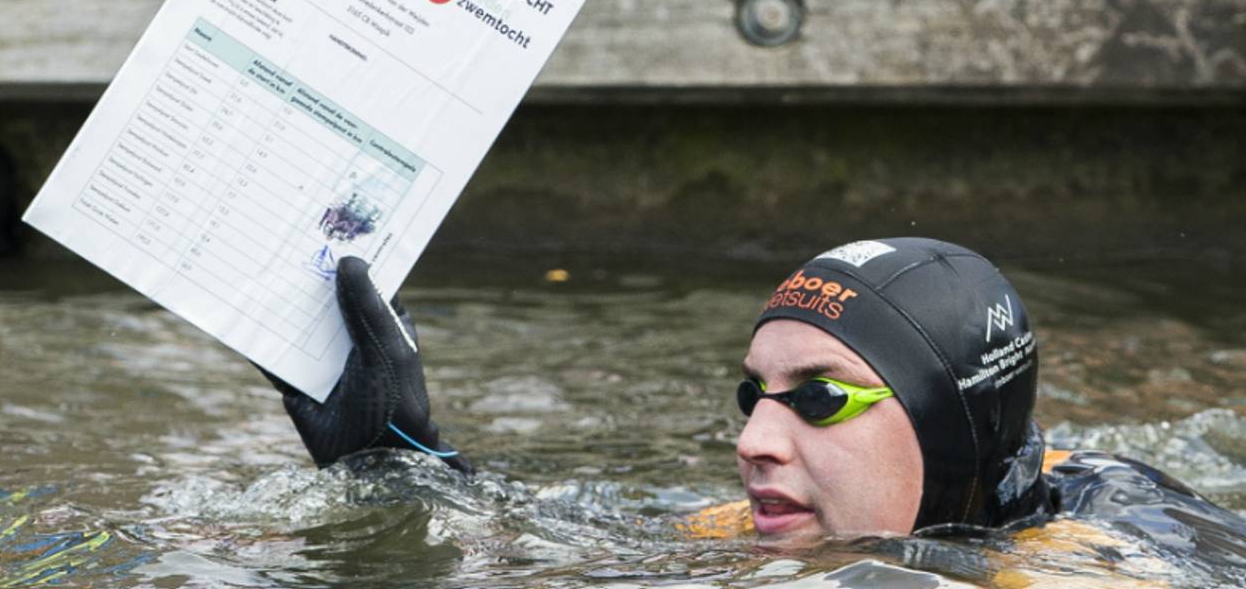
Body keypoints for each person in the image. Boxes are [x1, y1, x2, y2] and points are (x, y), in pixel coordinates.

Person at [261, 238, 1246, 577]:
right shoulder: (763, 527)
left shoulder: (1100, 566)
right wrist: (399, 463)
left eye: (816, 399)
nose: (751, 442)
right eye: (753, 396)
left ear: (950, 426)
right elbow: (541, 542)